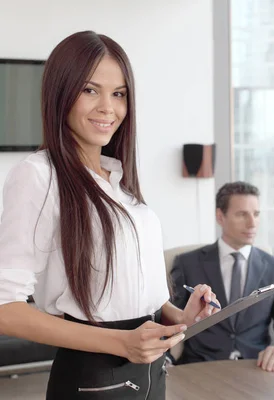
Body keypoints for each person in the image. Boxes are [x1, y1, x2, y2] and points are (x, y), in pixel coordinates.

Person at [0, 31, 220, 399]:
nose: (108, 107)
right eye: (90, 90)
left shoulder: (118, 179)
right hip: (94, 379)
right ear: (60, 93)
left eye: (119, 94)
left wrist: (177, 316)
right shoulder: (38, 175)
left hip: (150, 372)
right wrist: (121, 343)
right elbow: (5, 307)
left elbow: (124, 292)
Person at [170, 182, 274, 372]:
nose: (252, 223)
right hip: (200, 369)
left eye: (256, 214)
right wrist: (164, 361)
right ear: (220, 216)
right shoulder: (187, 264)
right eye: (242, 214)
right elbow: (168, 321)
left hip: (256, 370)